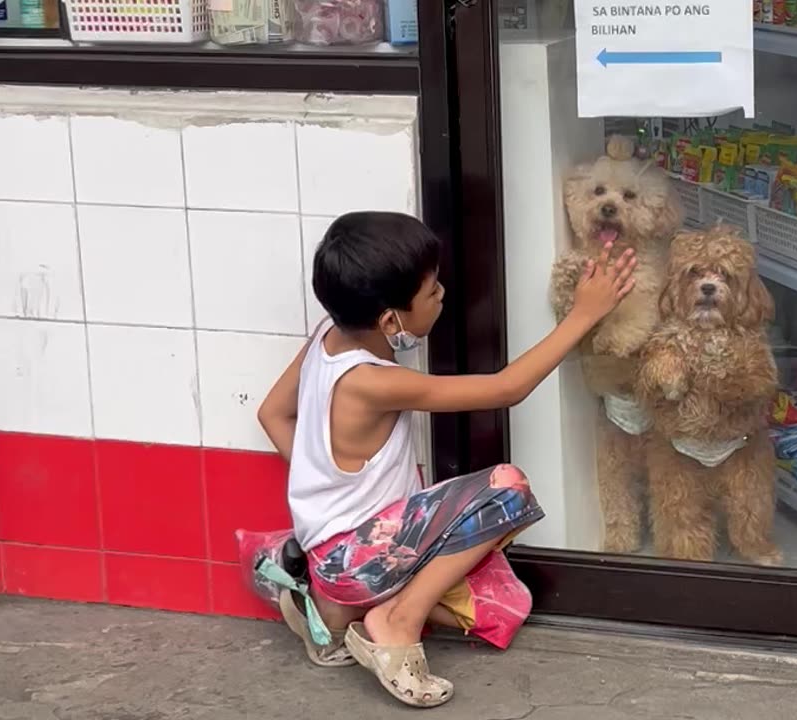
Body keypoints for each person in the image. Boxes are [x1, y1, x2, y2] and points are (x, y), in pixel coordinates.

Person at [254, 211, 636, 708]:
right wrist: (584, 313)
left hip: (330, 552)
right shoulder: (372, 381)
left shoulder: (327, 337)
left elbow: (271, 414)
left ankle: (330, 608)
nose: (443, 295)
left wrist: (325, 484)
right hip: (361, 557)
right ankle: (394, 622)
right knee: (507, 488)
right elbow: (507, 388)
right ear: (391, 320)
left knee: (504, 605)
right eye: (432, 292)